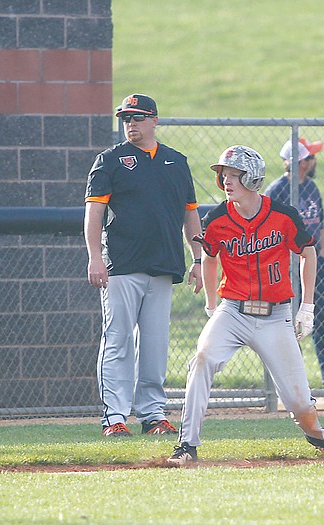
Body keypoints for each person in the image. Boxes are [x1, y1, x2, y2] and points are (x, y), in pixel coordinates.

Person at [168, 145, 324, 465]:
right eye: (223, 175)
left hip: (275, 314)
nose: (226, 181)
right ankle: (187, 445)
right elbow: (210, 258)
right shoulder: (218, 218)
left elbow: (308, 253)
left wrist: (306, 307)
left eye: (234, 175)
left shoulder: (281, 215)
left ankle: (319, 436)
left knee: (298, 401)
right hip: (234, 309)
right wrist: (213, 306)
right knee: (202, 356)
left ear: (252, 178)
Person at [84, 93, 203, 437]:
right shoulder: (110, 160)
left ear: (155, 120)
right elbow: (94, 213)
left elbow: (190, 214)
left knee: (154, 344)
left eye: (137, 118)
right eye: (126, 119)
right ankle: (115, 417)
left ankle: (152, 414)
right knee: (118, 340)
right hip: (121, 264)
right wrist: (94, 256)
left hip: (163, 264)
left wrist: (198, 259)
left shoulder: (176, 162)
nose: (130, 124)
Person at [264, 137, 324, 389]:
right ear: (300, 162)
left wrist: (321, 258)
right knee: (286, 323)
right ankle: (291, 384)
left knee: (322, 320)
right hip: (286, 268)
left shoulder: (311, 187)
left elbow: (319, 225)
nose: (313, 162)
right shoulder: (276, 191)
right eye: (310, 158)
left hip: (313, 265)